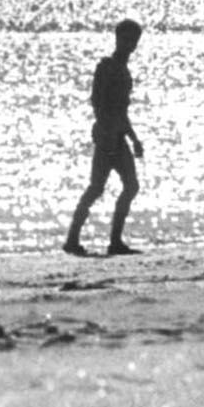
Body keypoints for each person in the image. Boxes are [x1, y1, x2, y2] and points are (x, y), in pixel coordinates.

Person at [64, 19, 144, 257]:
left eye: (133, 41)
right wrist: (107, 130)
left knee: (129, 185)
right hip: (108, 136)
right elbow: (99, 103)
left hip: (117, 135)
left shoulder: (121, 69)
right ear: (118, 39)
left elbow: (122, 111)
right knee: (97, 187)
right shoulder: (108, 67)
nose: (130, 45)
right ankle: (73, 239)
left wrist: (133, 138)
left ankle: (114, 241)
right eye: (126, 39)